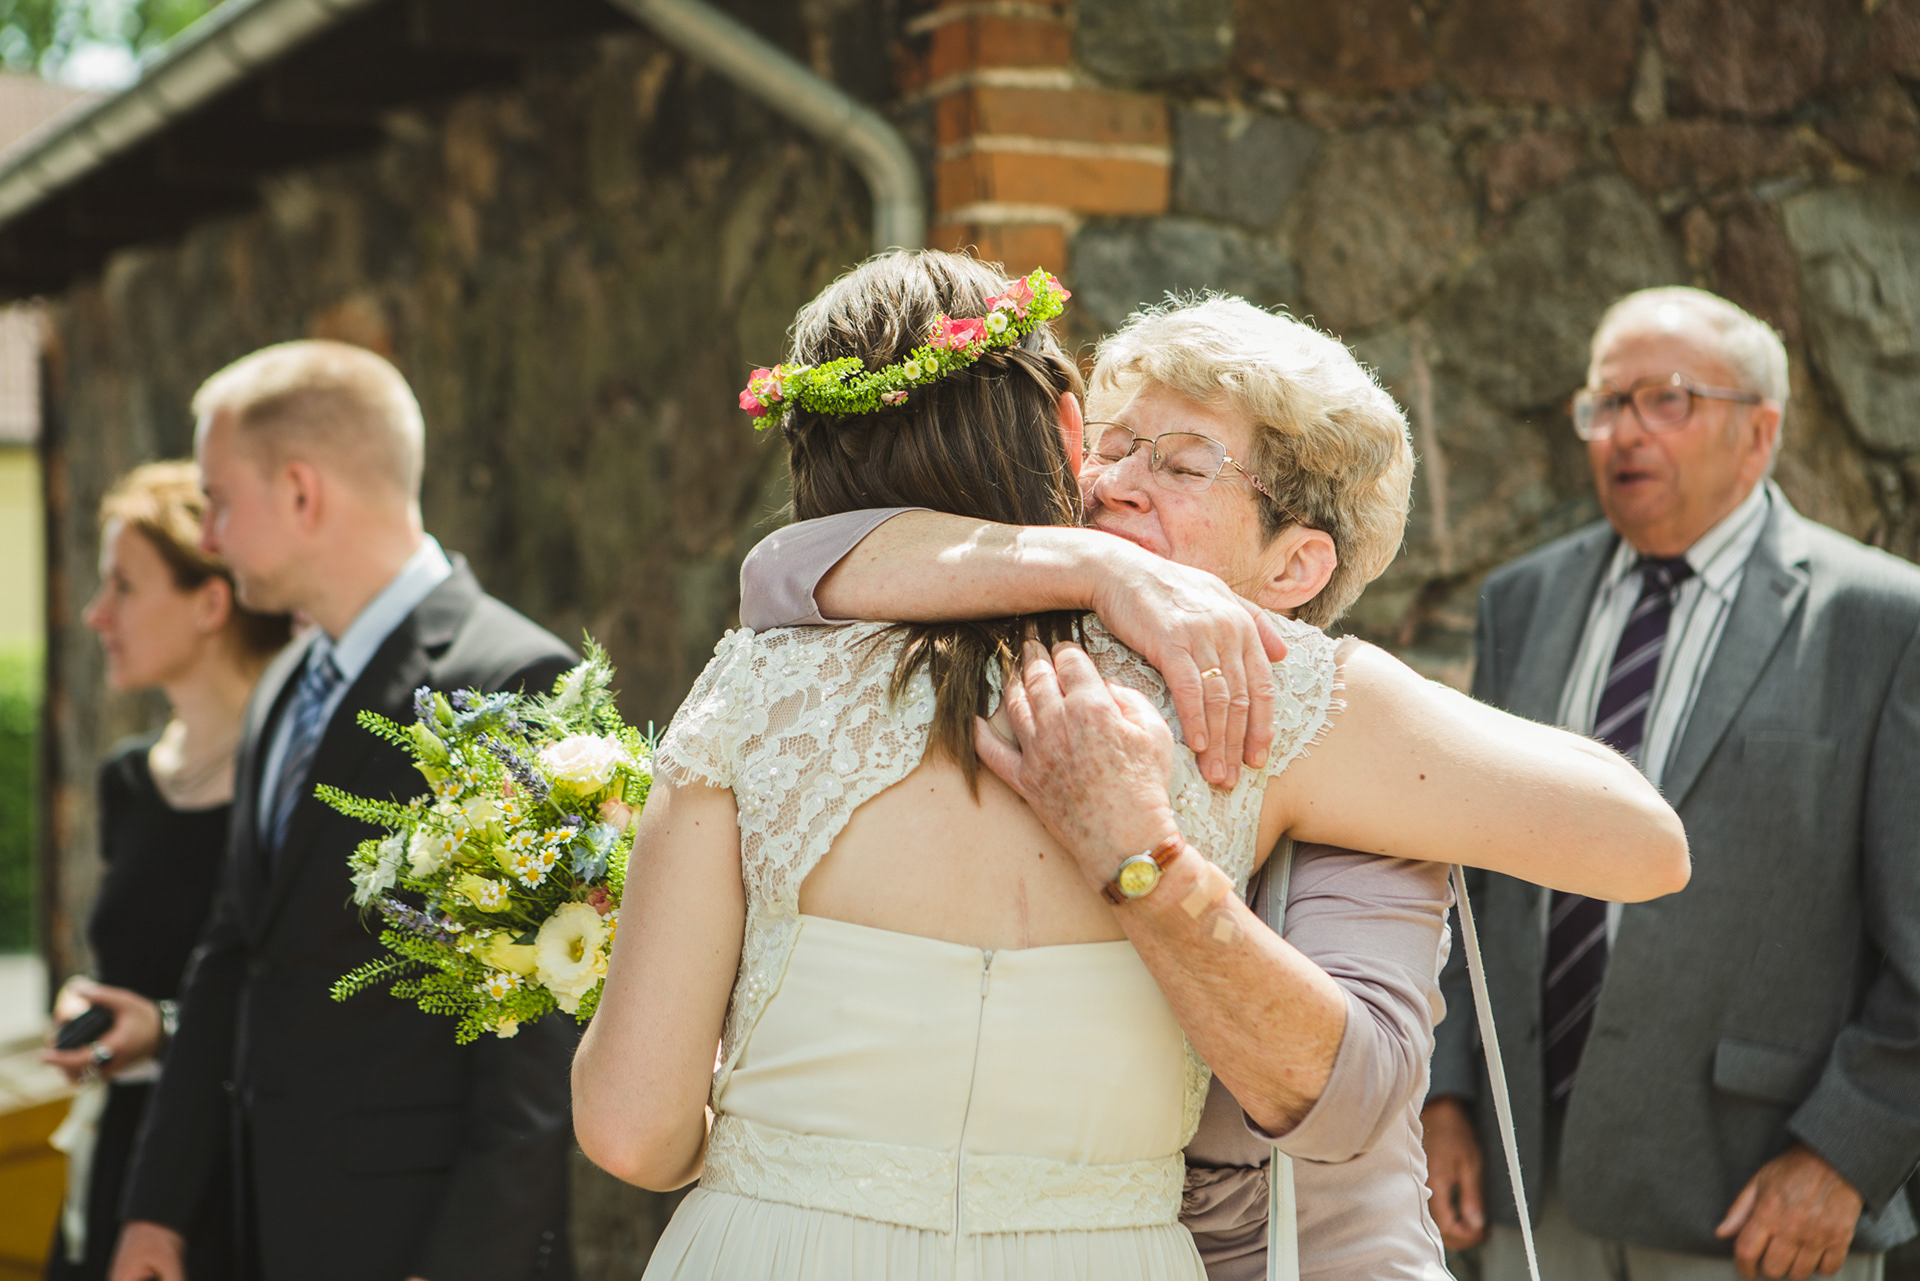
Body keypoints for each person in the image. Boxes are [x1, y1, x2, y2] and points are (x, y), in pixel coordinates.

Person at [572, 250, 1688, 1281]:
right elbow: (788, 565)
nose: (1113, 485)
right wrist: (1101, 572)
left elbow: (1640, 841)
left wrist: (1140, 853)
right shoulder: (850, 620)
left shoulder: (1306, 696)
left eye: (1186, 463)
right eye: (1107, 446)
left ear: (1297, 567)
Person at [1423, 286, 1920, 1281]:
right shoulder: (1523, 601)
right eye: (1606, 403)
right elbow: (1466, 879)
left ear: (1759, 431)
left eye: (1667, 400)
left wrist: (1846, 1156)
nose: (1625, 432)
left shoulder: (1883, 621)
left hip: (1751, 1199)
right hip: (1526, 1187)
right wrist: (1445, 1094)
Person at [107, 341, 579, 1281]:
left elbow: (536, 1048)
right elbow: (232, 958)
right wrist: (157, 1211)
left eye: (218, 501)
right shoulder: (284, 687)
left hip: (420, 1245)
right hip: (265, 1236)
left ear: (299, 491)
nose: (210, 537)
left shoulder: (512, 679)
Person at [41, 463, 290, 1281]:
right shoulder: (127, 779)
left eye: (123, 585)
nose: (95, 613)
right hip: (123, 1158)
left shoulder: (291, 787)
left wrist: (167, 1028)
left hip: (235, 1178)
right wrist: (91, 1012)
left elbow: (291, 999)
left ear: (210, 603)